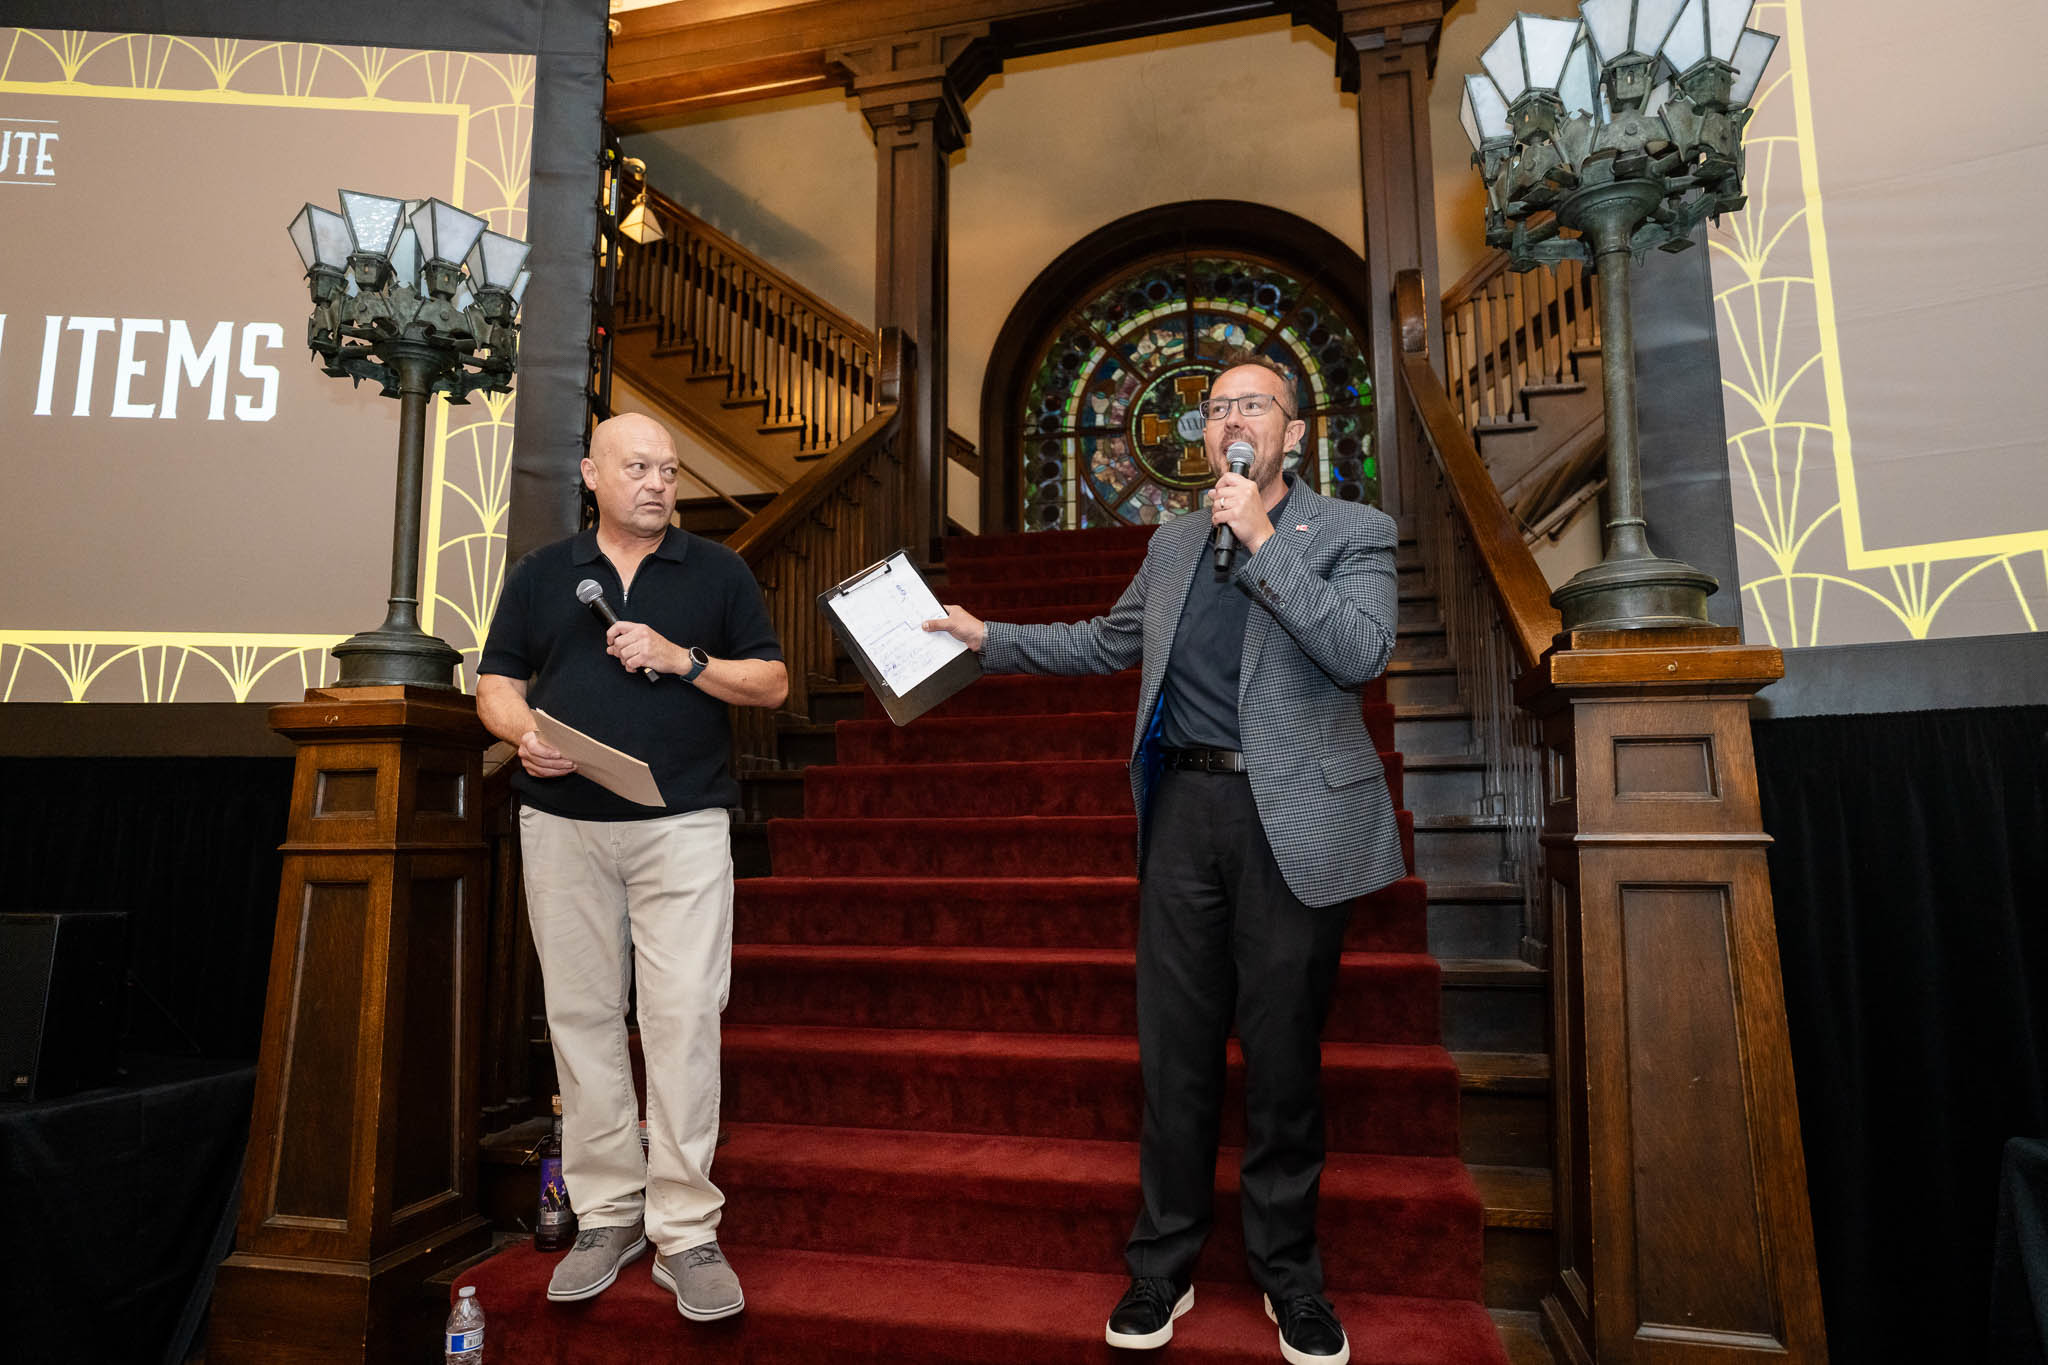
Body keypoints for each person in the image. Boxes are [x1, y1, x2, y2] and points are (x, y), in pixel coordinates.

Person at [925, 358, 1402, 1365]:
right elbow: (1108, 642)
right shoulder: (1176, 540)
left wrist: (1261, 538)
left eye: (1252, 405)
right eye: (1215, 407)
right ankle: (1161, 1266)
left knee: (1281, 1061)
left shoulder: (1351, 532)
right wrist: (989, 636)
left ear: (1293, 434)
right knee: (1174, 1055)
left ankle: (1290, 1277)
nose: (1230, 419)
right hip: (1183, 809)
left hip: (1291, 820)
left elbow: (1359, 652)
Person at [476, 412, 788, 1322]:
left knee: (682, 1015)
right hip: (561, 825)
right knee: (581, 1018)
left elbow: (771, 683)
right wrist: (523, 734)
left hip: (681, 823)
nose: (657, 483)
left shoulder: (717, 571)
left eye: (670, 469)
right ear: (591, 474)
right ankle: (608, 1214)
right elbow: (495, 682)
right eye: (638, 466)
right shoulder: (543, 573)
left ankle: (685, 1228)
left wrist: (681, 658)